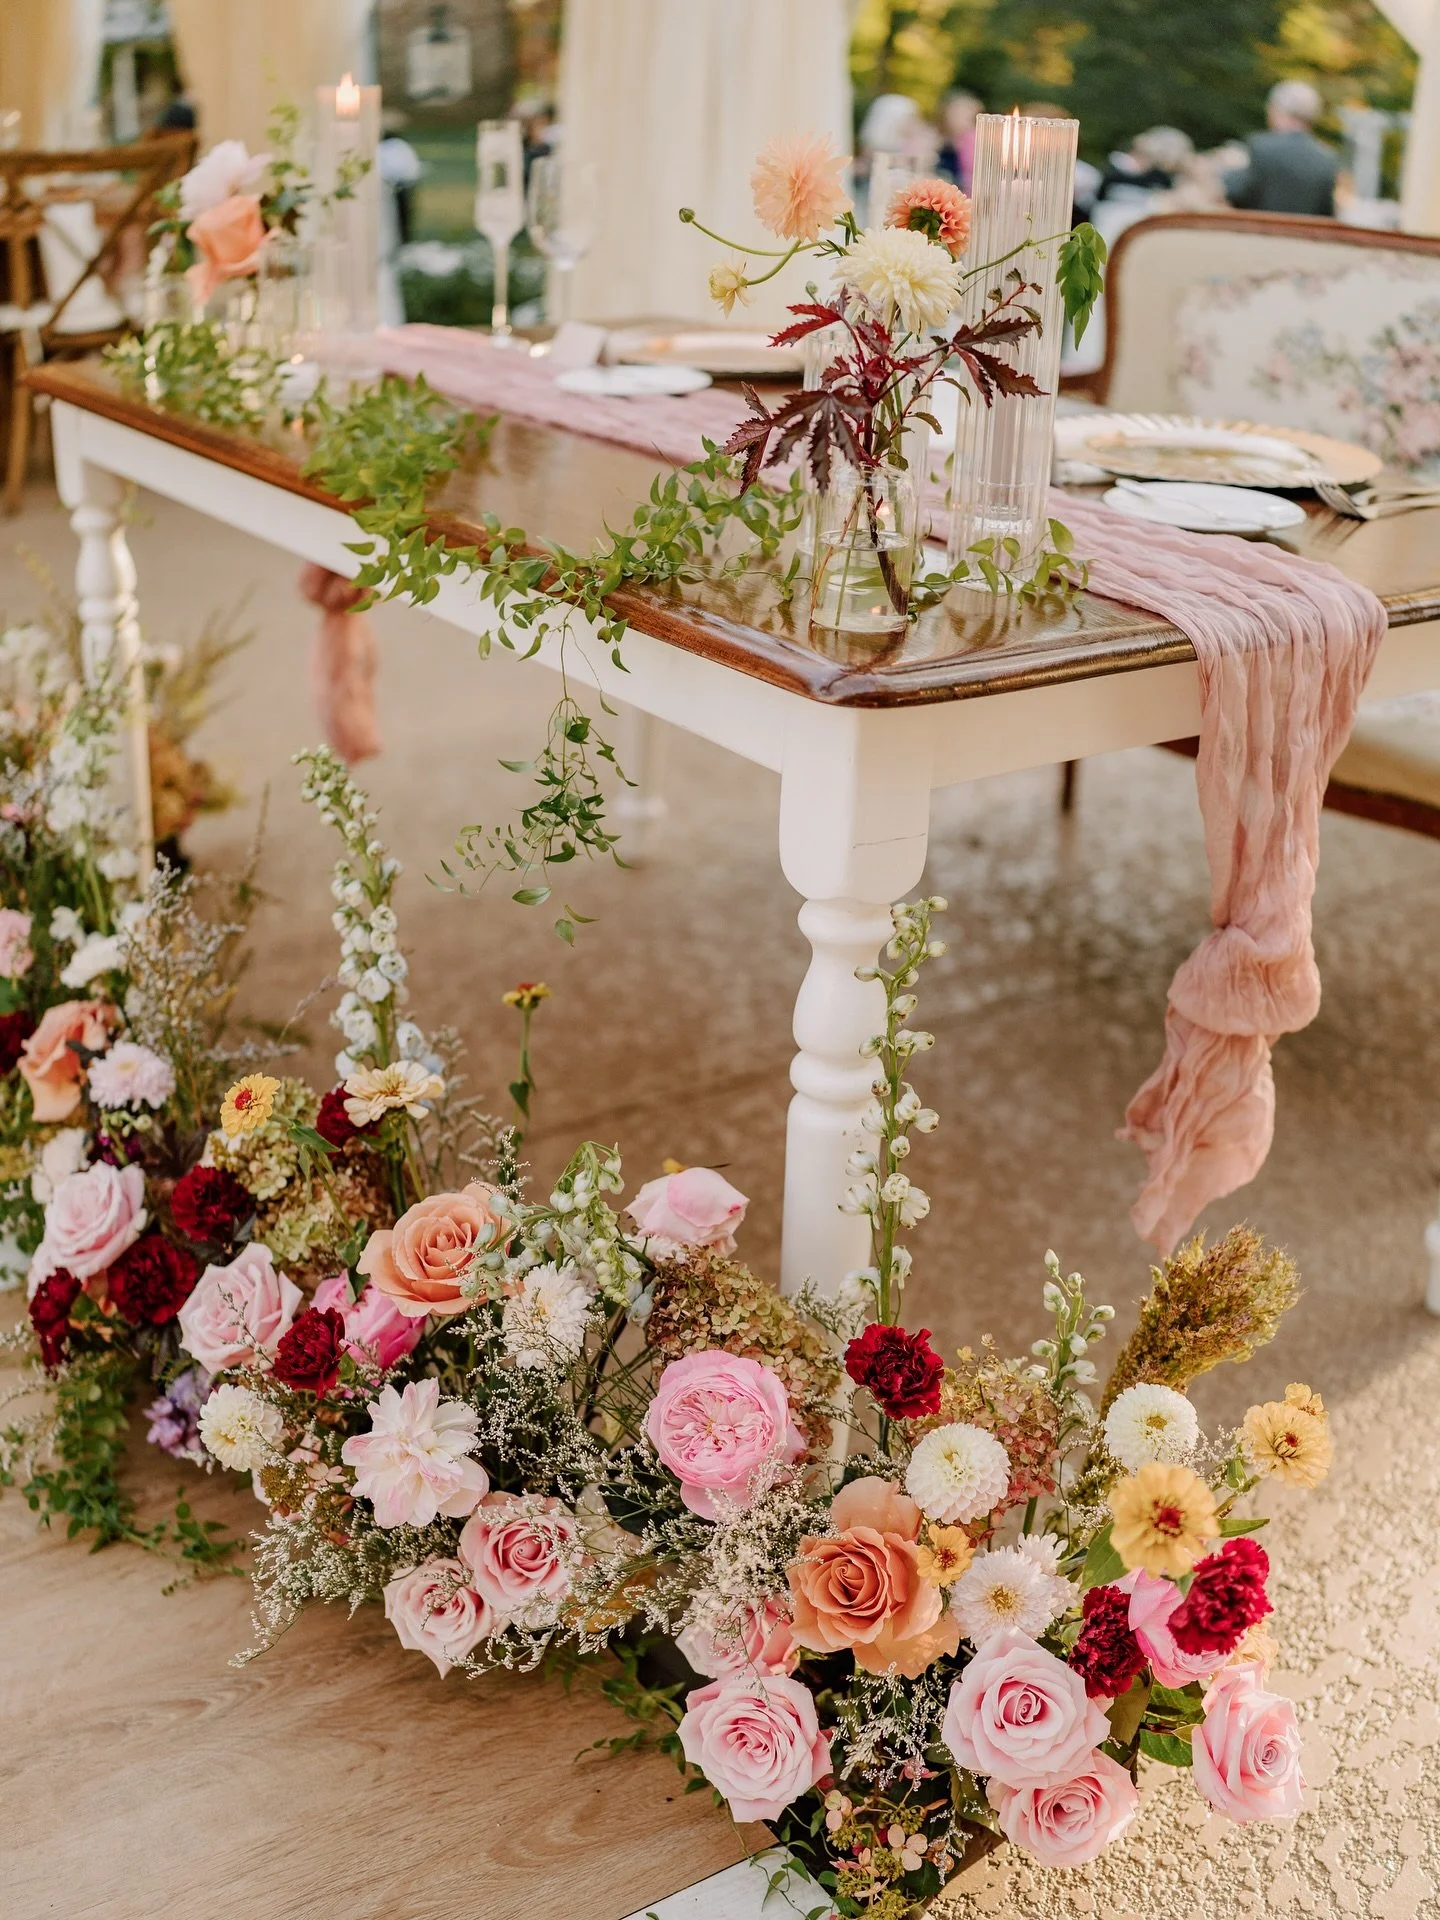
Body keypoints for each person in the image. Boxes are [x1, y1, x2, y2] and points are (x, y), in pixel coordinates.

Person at [1225, 79, 1338, 217]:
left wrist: (1227, 170)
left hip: (1258, 234)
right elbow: (1326, 211)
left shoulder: (1261, 146)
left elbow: (1237, 193)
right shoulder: (1327, 159)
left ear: (1276, 110)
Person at [936, 89, 982, 193]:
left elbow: (971, 174)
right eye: (956, 113)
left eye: (964, 114)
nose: (959, 118)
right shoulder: (942, 138)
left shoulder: (974, 139)